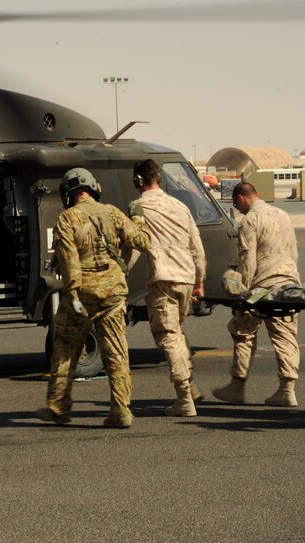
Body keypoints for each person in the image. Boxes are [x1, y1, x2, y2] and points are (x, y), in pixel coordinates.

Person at [37, 167, 151, 428]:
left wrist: (74, 292)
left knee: (65, 350)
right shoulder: (112, 211)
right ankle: (121, 411)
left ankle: (59, 408)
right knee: (117, 353)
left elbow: (69, 261)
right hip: (113, 294)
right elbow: (142, 241)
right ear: (93, 188)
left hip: (83, 296)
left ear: (69, 193)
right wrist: (138, 217)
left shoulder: (67, 218)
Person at [212, 182, 302, 407]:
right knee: (285, 335)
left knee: (242, 328)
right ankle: (287, 389)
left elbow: (247, 262)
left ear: (241, 199)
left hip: (263, 286)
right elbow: (294, 252)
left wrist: (242, 295)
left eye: (236, 204)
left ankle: (237, 386)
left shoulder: (249, 221)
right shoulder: (283, 214)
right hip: (289, 283)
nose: (238, 208)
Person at [130, 159, 206, 417]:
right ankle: (192, 387)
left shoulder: (139, 207)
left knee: (168, 336)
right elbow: (197, 247)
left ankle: (184, 398)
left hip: (164, 279)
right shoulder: (180, 206)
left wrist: (120, 273)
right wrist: (200, 282)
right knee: (177, 332)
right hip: (186, 277)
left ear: (139, 181)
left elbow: (133, 245)